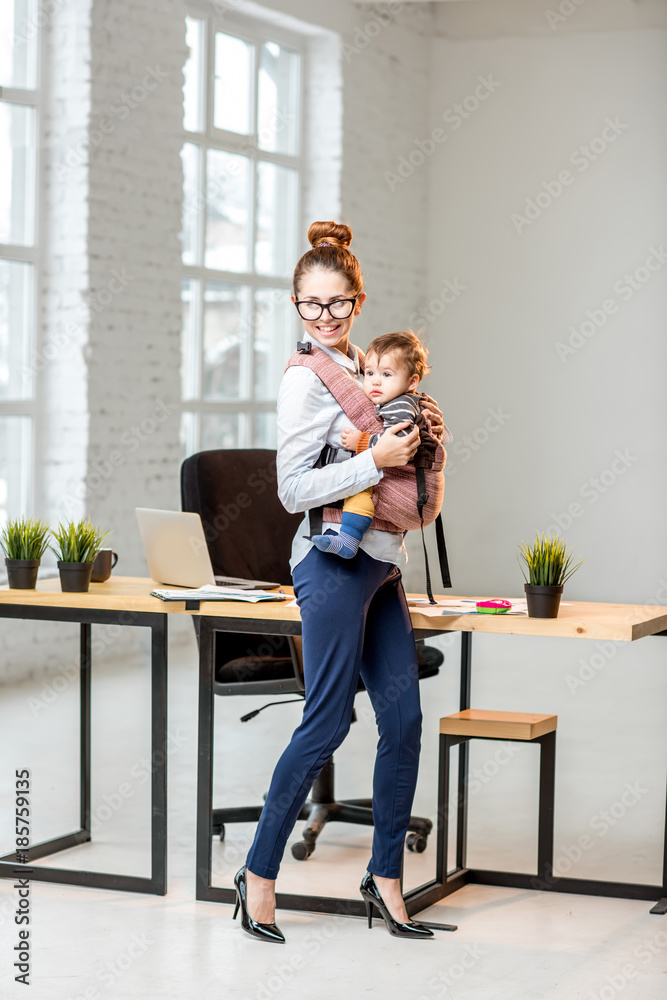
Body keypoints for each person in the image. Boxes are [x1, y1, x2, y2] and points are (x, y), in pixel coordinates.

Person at [233, 220, 447, 944]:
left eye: (336, 302)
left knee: (405, 720)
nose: (323, 316)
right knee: (326, 720)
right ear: (295, 305)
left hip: (381, 566)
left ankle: (383, 878)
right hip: (328, 564)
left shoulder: (367, 365)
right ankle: (258, 877)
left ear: (357, 300)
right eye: (309, 305)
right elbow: (292, 490)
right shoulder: (305, 381)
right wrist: (375, 457)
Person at [311, 329, 433, 559]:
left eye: (387, 374)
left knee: (359, 488)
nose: (375, 380)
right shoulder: (402, 400)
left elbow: (399, 443)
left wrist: (363, 441)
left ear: (412, 381)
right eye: (369, 372)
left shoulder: (401, 405)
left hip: (401, 475)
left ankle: (348, 540)